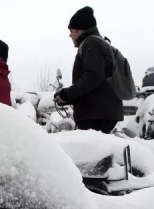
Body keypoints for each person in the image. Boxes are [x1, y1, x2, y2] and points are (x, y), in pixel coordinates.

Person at [53, 6, 123, 134]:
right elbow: (94, 85)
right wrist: (67, 98)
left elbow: (93, 77)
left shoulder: (91, 43)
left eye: (71, 30)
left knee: (91, 153)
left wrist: (68, 93)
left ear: (80, 30)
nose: (70, 35)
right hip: (100, 113)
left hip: (96, 117)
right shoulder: (97, 43)